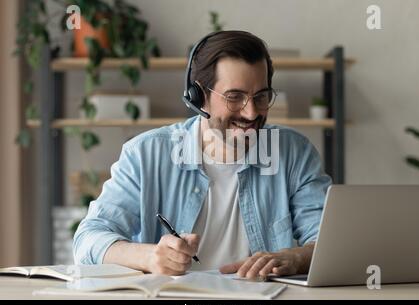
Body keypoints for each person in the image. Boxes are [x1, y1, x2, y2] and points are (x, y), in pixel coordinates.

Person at [73, 30, 331, 280]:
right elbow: (87, 241)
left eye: (261, 97)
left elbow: (328, 240)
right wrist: (149, 257)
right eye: (235, 97)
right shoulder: (145, 154)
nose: (251, 113)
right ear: (199, 97)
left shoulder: (294, 152)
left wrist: (295, 258)